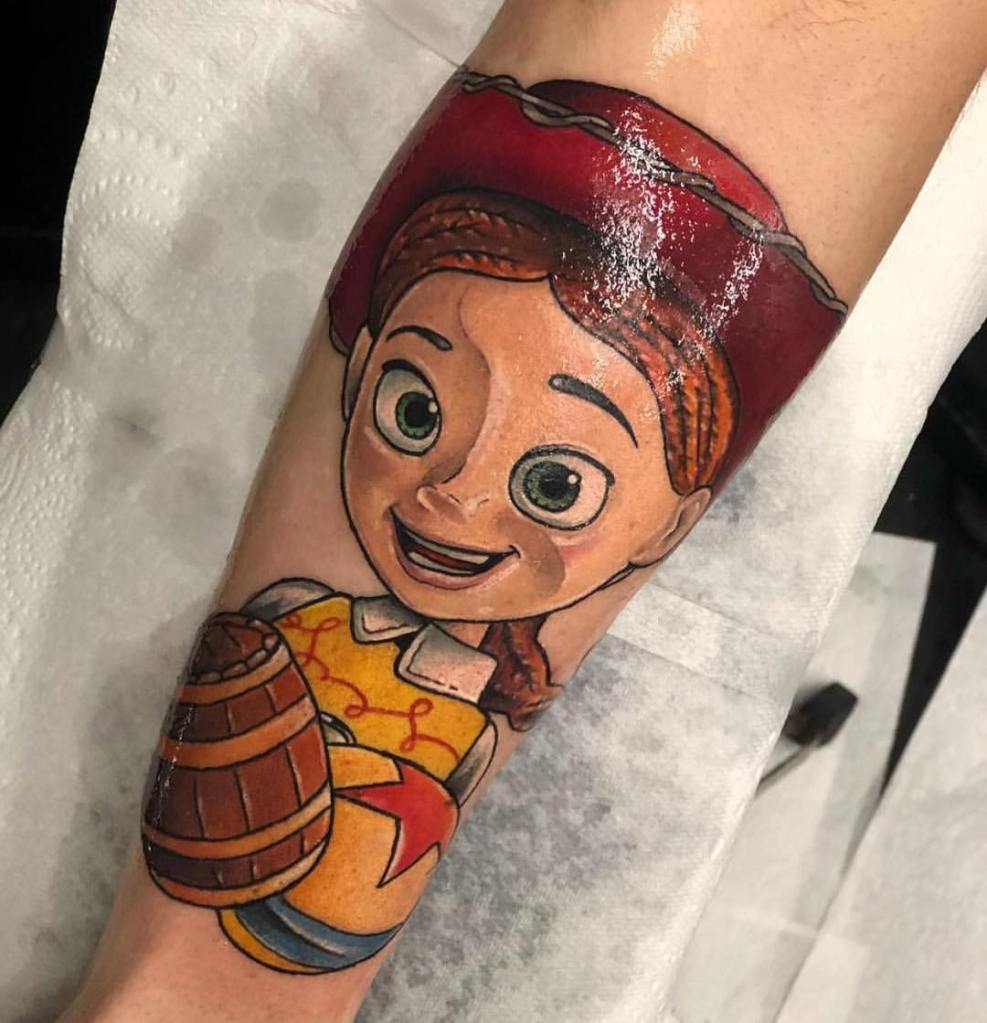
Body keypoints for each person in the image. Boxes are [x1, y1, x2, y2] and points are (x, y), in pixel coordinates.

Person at [62, 1, 987, 1020]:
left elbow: (787, 30)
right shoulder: (301, 628)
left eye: (555, 483)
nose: (454, 494)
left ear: (669, 518)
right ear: (364, 368)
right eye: (414, 409)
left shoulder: (464, 688)